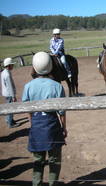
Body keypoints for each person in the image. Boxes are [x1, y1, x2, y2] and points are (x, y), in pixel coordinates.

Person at [22, 51, 67, 186]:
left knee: (38, 160)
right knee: (54, 160)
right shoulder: (57, 86)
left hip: (36, 126)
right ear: (50, 66)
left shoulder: (28, 86)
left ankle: (37, 183)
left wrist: (32, 125)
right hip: (52, 126)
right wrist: (64, 128)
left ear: (35, 67)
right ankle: (53, 183)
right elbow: (61, 112)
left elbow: (28, 110)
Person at [1, 57, 19, 128]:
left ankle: (9, 119)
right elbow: (10, 86)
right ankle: (10, 123)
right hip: (9, 94)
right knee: (11, 108)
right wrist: (13, 96)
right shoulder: (7, 75)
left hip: (6, 93)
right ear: (8, 65)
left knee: (9, 107)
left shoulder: (4, 72)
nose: (13, 66)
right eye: (12, 65)